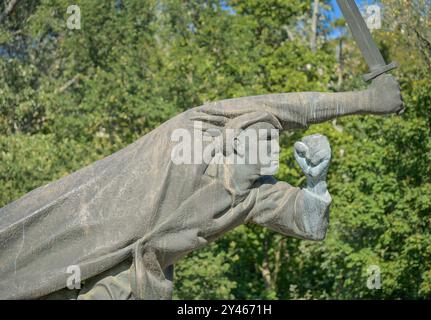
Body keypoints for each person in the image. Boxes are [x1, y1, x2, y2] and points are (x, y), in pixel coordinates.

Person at [0, 74, 403, 299]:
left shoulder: (251, 197)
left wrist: (316, 179)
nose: (267, 153)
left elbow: (311, 224)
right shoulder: (195, 130)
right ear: (234, 140)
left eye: (272, 146)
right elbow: (295, 106)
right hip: (90, 223)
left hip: (130, 278)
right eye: (260, 140)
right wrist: (366, 99)